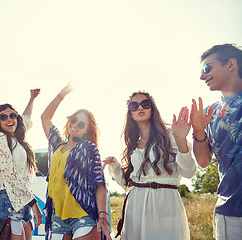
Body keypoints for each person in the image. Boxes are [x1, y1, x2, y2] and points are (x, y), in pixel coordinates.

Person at [103, 91, 196, 240]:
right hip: (136, 205)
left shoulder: (171, 135)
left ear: (152, 109)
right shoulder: (133, 145)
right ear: (130, 114)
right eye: (134, 106)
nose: (140, 107)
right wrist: (115, 166)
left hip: (166, 202)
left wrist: (181, 140)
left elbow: (188, 172)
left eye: (145, 104)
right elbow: (128, 184)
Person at [40, 83, 111, 240]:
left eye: (81, 124)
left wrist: (103, 216)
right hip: (58, 216)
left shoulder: (89, 148)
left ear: (86, 130)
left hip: (83, 214)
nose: (75, 125)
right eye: (73, 119)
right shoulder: (57, 145)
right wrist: (61, 95)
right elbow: (45, 117)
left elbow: (99, 184)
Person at [190, 44, 242, 239]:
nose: (202, 76)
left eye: (207, 68)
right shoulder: (209, 113)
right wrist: (198, 130)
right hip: (228, 211)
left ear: (231, 65)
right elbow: (203, 161)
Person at [0, 89, 43, 240]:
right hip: (9, 201)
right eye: (3, 117)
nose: (9, 119)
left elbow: (26, 119)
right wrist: (34, 204)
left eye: (12, 115)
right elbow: (10, 174)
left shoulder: (19, 141)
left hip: (24, 202)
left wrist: (31, 99)